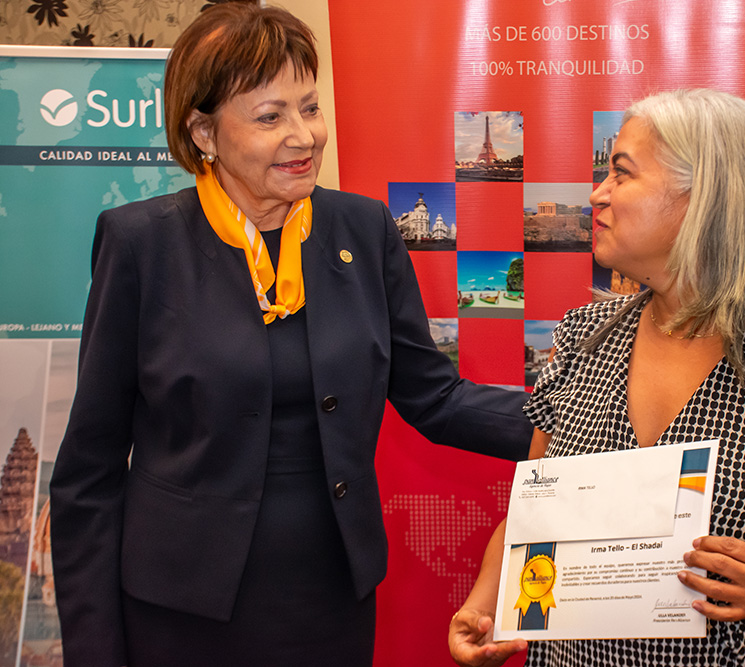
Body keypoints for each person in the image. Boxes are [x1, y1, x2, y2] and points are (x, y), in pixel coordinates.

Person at [48, 5, 532, 666]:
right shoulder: (141, 244)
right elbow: (90, 471)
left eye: (310, 108)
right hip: (180, 608)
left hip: (329, 600)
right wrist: (94, 650)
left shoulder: (363, 230)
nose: (303, 136)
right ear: (204, 131)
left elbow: (435, 397)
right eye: (270, 116)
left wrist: (579, 420)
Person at [448, 89, 745, 667]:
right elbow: (534, 516)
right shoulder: (583, 338)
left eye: (621, 173)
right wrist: (484, 606)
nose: (597, 193)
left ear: (705, 198)